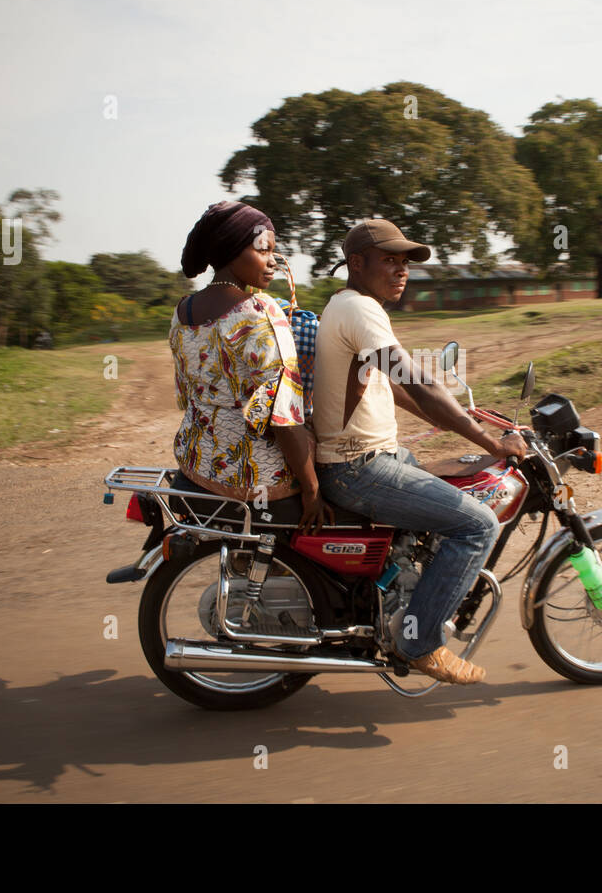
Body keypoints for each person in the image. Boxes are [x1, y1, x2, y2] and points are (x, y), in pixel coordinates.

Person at [312, 218, 527, 684]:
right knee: (476, 524)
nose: (402, 271)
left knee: (462, 478)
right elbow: (419, 380)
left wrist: (465, 421)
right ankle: (420, 641)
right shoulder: (359, 310)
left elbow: (394, 383)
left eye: (405, 262)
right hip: (358, 468)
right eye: (390, 260)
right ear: (356, 263)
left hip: (372, 457)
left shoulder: (349, 306)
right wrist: (491, 442)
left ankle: (401, 597)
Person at [169, 201, 332, 532]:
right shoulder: (260, 312)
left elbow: (185, 396)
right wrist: (312, 490)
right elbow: (283, 414)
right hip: (256, 477)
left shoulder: (182, 310)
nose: (273, 261)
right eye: (263, 250)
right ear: (232, 250)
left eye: (274, 251)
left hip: (194, 463)